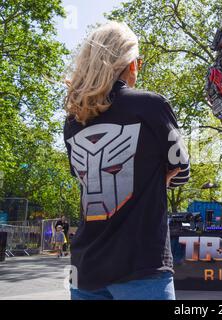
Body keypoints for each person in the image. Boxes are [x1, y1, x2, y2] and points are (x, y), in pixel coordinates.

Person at [63, 21, 190, 300]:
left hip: (84, 269)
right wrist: (157, 177)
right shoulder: (151, 106)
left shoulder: (74, 120)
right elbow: (182, 170)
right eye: (138, 62)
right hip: (141, 265)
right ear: (130, 64)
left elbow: (84, 180)